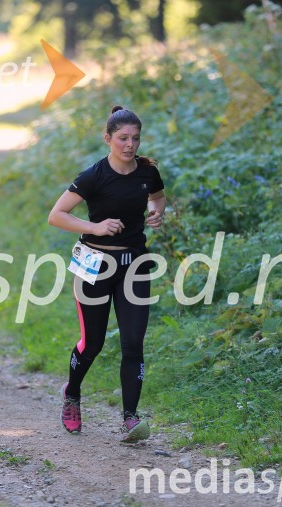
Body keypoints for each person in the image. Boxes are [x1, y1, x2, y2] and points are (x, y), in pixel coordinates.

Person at [48, 106, 166, 443]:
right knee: (92, 344)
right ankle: (72, 394)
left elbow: (158, 198)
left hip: (135, 266)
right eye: (123, 138)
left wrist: (156, 213)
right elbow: (56, 215)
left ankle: (130, 418)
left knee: (133, 343)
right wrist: (95, 226)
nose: (130, 145)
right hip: (94, 266)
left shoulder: (147, 172)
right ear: (108, 139)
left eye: (135, 138)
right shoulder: (94, 176)